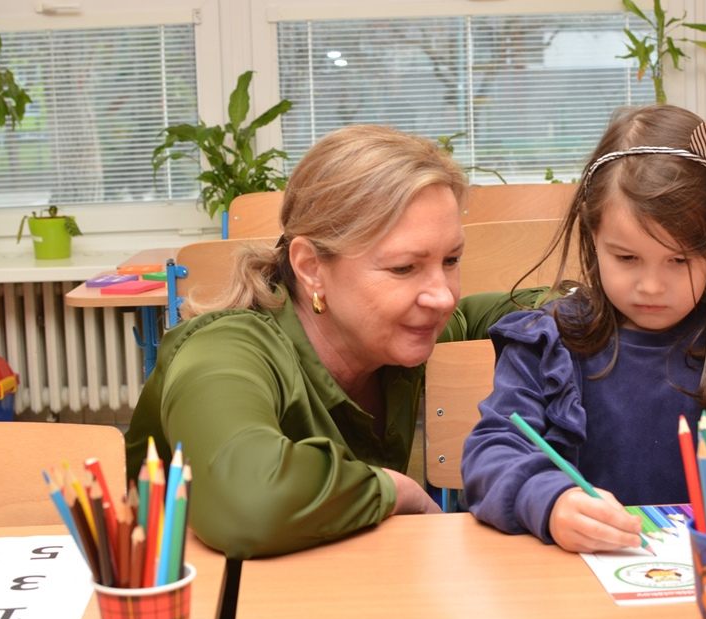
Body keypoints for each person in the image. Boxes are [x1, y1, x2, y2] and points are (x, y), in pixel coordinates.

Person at [125, 124, 544, 561]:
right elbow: (249, 498)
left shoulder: (397, 339)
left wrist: (579, 311)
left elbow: (502, 312)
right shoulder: (223, 352)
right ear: (311, 267)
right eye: (403, 268)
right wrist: (394, 490)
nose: (442, 296)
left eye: (451, 259)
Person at [460, 104, 706, 554]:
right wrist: (551, 502)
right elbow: (490, 455)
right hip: (578, 582)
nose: (651, 286)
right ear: (592, 234)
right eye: (627, 258)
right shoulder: (544, 342)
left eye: (679, 260)